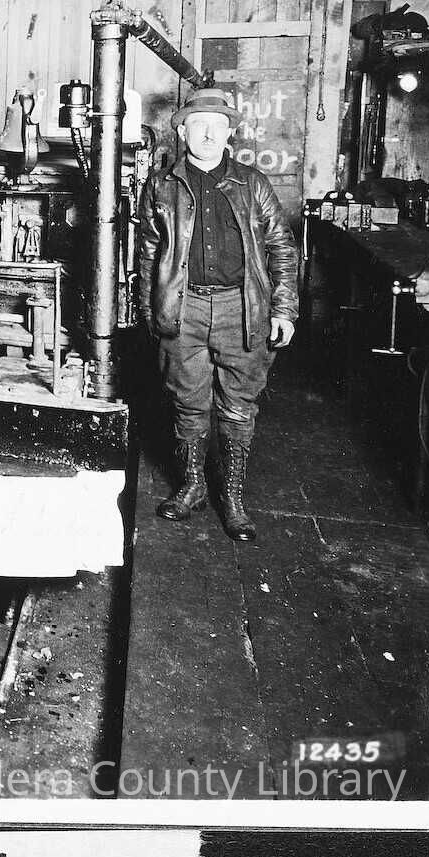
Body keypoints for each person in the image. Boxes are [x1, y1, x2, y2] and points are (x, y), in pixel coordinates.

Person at [136, 88, 299, 541]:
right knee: (187, 401)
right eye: (199, 125)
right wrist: (153, 310)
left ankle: (232, 497)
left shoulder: (253, 184)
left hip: (241, 308)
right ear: (182, 131)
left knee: (238, 406)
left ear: (229, 134)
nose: (208, 135)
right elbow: (147, 253)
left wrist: (284, 309)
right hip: (183, 307)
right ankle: (192, 487)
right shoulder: (162, 186)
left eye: (218, 126)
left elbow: (283, 248)